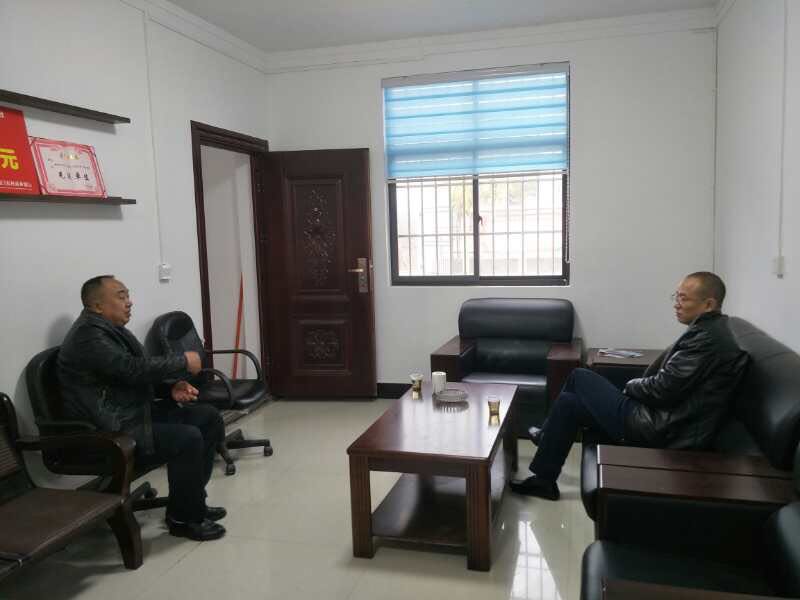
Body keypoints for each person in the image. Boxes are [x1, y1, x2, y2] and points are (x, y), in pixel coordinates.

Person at [510, 271, 749, 500]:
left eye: (683, 298)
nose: (676, 304)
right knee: (569, 402)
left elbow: (662, 390)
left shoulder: (707, 340)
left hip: (659, 429)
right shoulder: (711, 332)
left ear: (708, 304)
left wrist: (631, 385)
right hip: (663, 419)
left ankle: (545, 436)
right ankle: (544, 480)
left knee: (579, 377)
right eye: (676, 297)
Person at [58, 275, 227, 540]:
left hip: (132, 415)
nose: (129, 302)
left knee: (208, 418)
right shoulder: (88, 336)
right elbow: (130, 368)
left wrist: (169, 389)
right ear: (97, 306)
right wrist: (182, 361)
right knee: (187, 437)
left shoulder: (112, 331)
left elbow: (131, 378)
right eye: (121, 296)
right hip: (109, 430)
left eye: (128, 295)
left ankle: (191, 502)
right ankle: (184, 519)